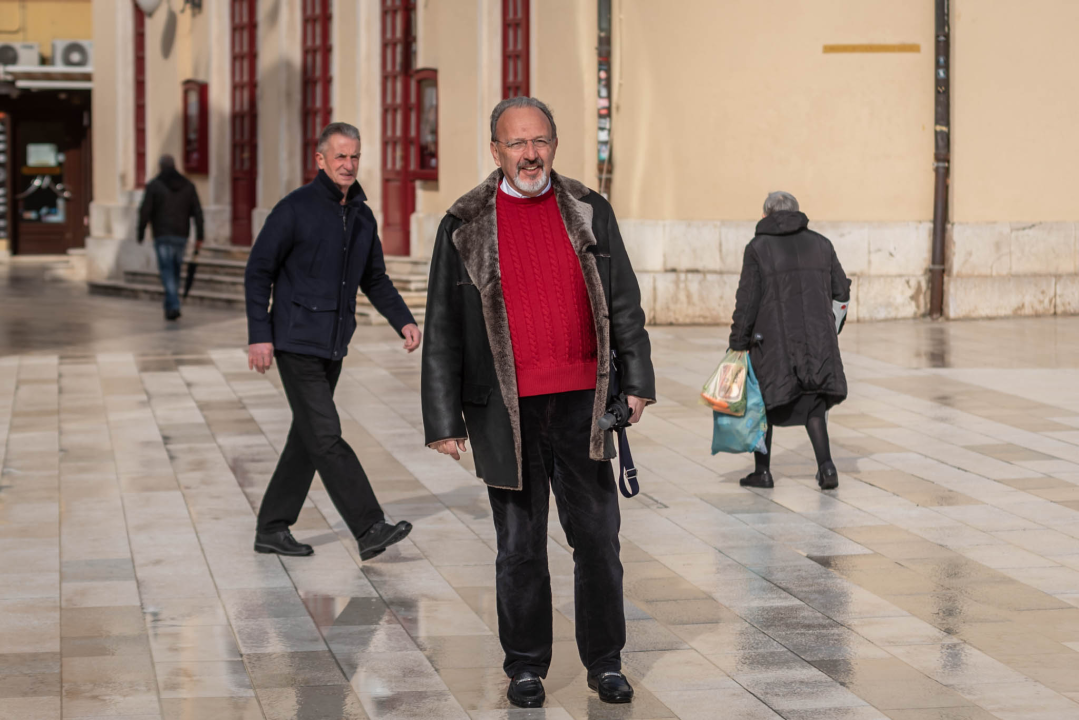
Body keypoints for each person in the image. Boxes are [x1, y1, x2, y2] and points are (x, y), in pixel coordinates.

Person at [421, 97, 654, 708]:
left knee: (599, 538)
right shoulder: (463, 221)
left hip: (585, 402)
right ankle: (526, 666)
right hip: (507, 408)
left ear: (554, 144)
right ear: (495, 151)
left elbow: (623, 299)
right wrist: (444, 421)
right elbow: (443, 329)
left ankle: (605, 662)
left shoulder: (588, 209)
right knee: (519, 546)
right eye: (516, 143)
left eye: (540, 141)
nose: (530, 154)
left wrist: (636, 382)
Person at [244, 122, 421, 561]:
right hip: (295, 341)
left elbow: (374, 278)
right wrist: (259, 337)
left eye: (355, 156)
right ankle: (369, 526)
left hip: (334, 344)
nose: (348, 164)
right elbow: (257, 271)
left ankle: (271, 527)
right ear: (320, 160)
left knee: (308, 437)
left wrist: (404, 321)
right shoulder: (294, 209)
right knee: (326, 435)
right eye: (340, 156)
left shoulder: (362, 215)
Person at [729, 191, 851, 490]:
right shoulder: (822, 244)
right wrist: (831, 327)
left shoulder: (758, 248)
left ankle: (763, 472)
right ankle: (827, 468)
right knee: (813, 403)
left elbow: (748, 300)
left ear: (765, 215)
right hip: (817, 340)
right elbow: (841, 291)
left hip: (772, 342)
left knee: (763, 402)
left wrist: (738, 341)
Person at [136, 155, 204, 320]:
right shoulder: (187, 185)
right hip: (181, 234)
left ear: (160, 167)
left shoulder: (154, 185)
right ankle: (170, 306)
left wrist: (140, 231)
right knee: (174, 270)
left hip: (162, 234)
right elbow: (197, 212)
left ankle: (173, 304)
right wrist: (200, 235)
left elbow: (145, 210)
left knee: (167, 271)